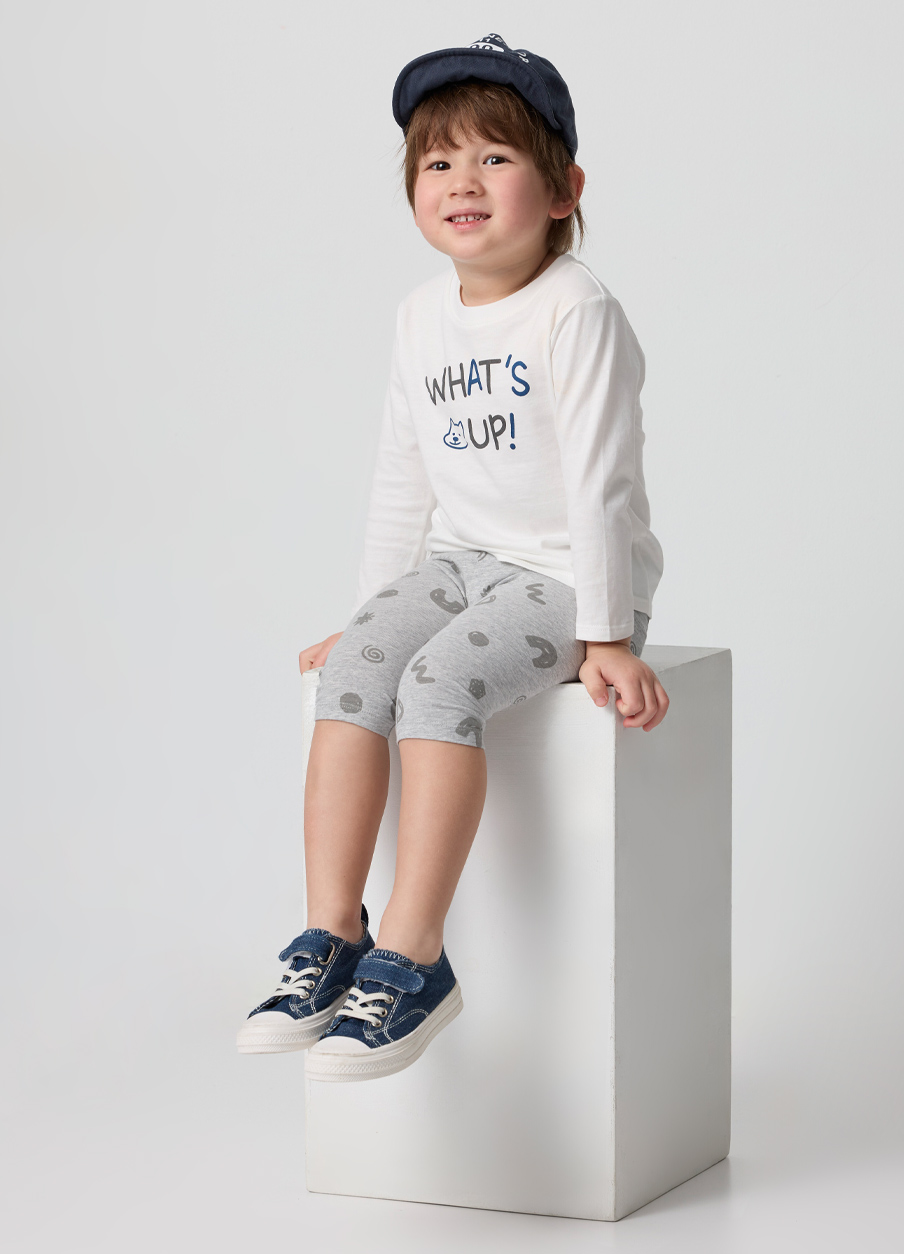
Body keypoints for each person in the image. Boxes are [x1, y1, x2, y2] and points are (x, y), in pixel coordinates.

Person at [236, 33, 668, 1080]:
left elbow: (603, 482)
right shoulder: (420, 316)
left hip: (565, 578)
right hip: (462, 562)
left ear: (563, 190)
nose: (461, 181)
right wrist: (373, 612)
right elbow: (403, 476)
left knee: (435, 685)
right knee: (358, 668)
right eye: (438, 162)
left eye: (494, 158)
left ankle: (416, 956)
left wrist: (607, 633)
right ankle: (332, 935)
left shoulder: (578, 311)